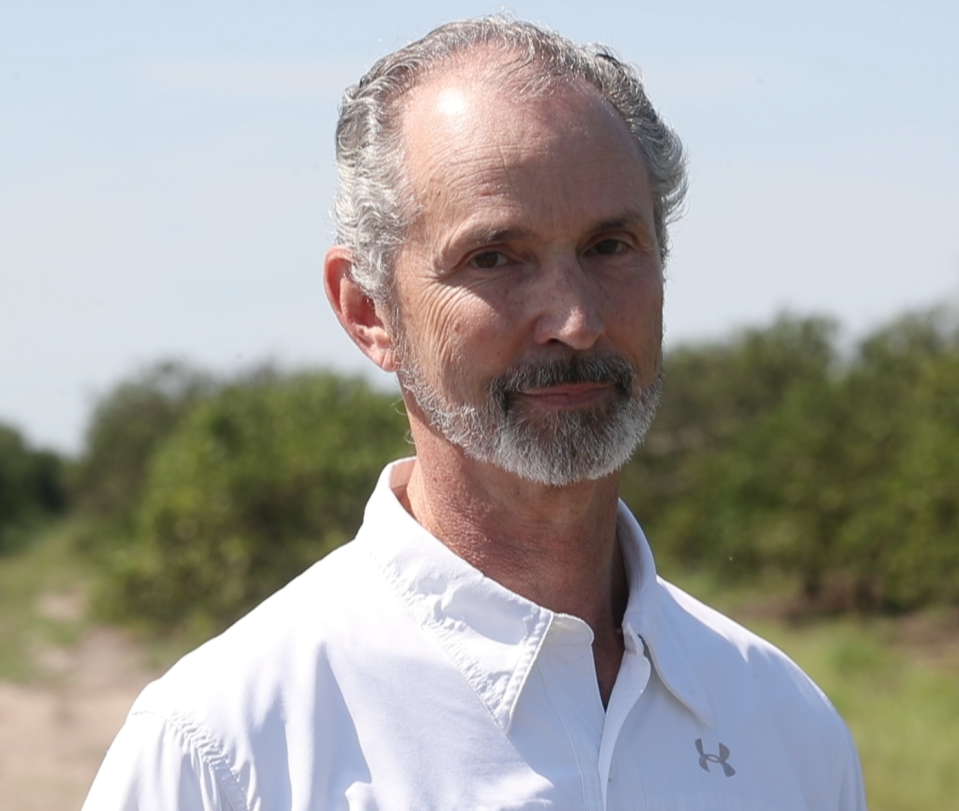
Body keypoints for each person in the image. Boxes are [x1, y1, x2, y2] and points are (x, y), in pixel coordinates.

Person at [82, 16, 867, 810]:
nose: (574, 320)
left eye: (609, 246)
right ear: (368, 311)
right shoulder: (226, 752)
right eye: (493, 258)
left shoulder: (784, 727)